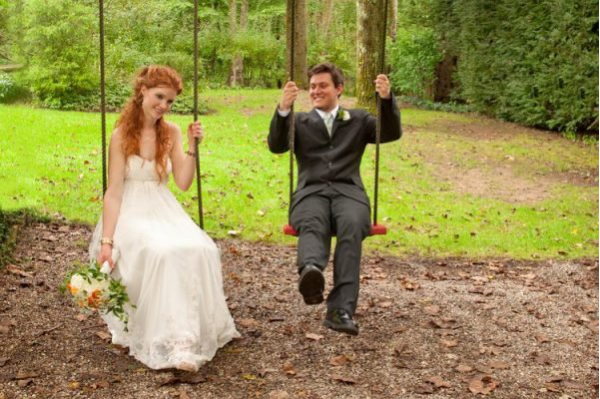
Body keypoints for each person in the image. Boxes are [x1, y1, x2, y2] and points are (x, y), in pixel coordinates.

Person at [89, 66, 239, 372]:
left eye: (170, 101)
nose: (164, 106)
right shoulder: (120, 135)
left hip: (163, 207)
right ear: (143, 91)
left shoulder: (170, 132)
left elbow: (183, 181)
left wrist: (194, 146)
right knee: (163, 253)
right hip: (130, 210)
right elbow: (114, 191)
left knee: (201, 248)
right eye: (159, 97)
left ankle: (189, 336)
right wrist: (107, 239)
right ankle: (176, 344)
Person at [268, 63, 402, 336]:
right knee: (311, 221)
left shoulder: (359, 120)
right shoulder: (300, 122)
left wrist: (386, 100)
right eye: (313, 86)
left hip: (348, 192)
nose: (316, 91)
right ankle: (312, 273)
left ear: (339, 89)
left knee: (352, 226)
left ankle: (340, 310)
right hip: (311, 191)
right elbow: (276, 145)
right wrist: (283, 108)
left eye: (323, 85)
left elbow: (389, 133)